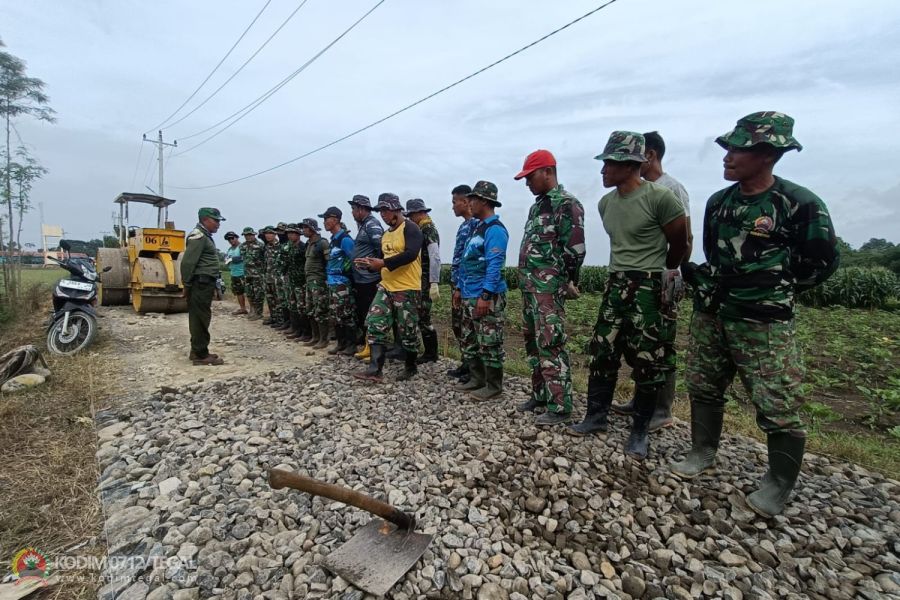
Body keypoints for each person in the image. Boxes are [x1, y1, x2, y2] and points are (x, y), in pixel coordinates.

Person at [671, 112, 838, 517]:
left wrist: (772, 287)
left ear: (766, 154)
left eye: (737, 150)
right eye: (727, 149)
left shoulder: (799, 203)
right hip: (713, 312)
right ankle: (702, 450)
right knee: (704, 384)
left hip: (763, 320)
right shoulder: (720, 202)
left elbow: (822, 262)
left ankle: (779, 482)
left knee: (777, 399)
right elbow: (714, 252)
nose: (727, 157)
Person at [569, 131, 688, 461]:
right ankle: (595, 417)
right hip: (616, 282)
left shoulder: (661, 198)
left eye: (610, 163)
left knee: (649, 359)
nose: (603, 170)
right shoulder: (606, 203)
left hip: (649, 285)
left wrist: (667, 271)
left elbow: (681, 241)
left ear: (631, 164)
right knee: (603, 350)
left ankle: (639, 431)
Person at [613, 130, 693, 430]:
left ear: (650, 155)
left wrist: (668, 274)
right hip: (638, 281)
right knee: (639, 343)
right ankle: (640, 399)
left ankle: (662, 410)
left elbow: (685, 240)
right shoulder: (640, 190)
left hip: (662, 279)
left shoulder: (671, 189)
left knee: (661, 345)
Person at [515, 149, 586, 425]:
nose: (527, 183)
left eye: (530, 176)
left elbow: (575, 249)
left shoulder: (567, 204)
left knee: (551, 343)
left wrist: (569, 281)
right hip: (530, 288)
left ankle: (560, 405)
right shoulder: (537, 206)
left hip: (549, 289)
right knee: (533, 344)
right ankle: (540, 395)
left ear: (548, 172)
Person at [354, 193, 423, 382]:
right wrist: (369, 264)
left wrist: (382, 263)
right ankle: (375, 369)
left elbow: (410, 254)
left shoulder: (411, 228)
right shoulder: (386, 235)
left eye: (386, 210)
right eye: (381, 211)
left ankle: (411, 366)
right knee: (375, 323)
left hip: (407, 288)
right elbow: (381, 259)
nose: (383, 214)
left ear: (397, 209)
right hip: (386, 286)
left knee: (407, 331)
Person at [454, 181, 508, 400]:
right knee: (470, 339)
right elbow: (467, 261)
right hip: (469, 293)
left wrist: (486, 295)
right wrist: (459, 288)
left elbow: (495, 265)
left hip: (485, 296)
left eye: (473, 199)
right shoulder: (478, 227)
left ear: (484, 201)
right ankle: (477, 378)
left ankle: (493, 385)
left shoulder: (495, 229)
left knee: (489, 341)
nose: (470, 203)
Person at [180, 207, 226, 366]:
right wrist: (186, 284)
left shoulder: (205, 236)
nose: (218, 224)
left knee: (201, 317)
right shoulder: (198, 236)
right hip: (200, 283)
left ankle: (198, 350)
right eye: (216, 220)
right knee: (200, 318)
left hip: (205, 282)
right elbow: (188, 262)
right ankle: (200, 354)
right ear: (205, 219)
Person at [404, 198, 441, 364]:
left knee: (424, 315)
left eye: (412, 215)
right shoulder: (421, 228)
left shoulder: (428, 229)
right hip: (419, 278)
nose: (410, 218)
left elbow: (434, 256)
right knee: (420, 315)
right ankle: (429, 351)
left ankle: (431, 353)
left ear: (420, 213)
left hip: (425, 278)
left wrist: (434, 282)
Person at [348, 195, 384, 360]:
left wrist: (372, 266)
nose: (353, 213)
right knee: (364, 313)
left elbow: (381, 248)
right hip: (361, 279)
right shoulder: (363, 225)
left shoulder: (372, 224)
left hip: (370, 278)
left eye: (354, 209)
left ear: (361, 209)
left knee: (372, 314)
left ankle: (373, 348)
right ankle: (367, 345)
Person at [447, 184, 477, 381]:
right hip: (458, 283)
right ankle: (466, 363)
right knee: (459, 326)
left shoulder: (476, 224)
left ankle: (474, 368)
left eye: (454, 202)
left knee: (470, 329)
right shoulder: (464, 225)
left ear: (465, 202)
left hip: (468, 286)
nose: (452, 207)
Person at [321, 206, 358, 355]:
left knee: (346, 314)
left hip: (343, 283)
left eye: (326, 219)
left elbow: (354, 261)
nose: (324, 223)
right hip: (332, 283)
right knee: (336, 315)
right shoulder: (333, 240)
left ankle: (351, 345)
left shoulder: (345, 240)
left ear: (335, 220)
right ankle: (341, 343)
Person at [300, 218, 331, 349]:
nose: (303, 230)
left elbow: (328, 263)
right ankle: (315, 337)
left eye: (305, 228)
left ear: (312, 229)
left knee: (321, 310)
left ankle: (324, 339)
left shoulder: (322, 243)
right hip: (309, 281)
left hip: (319, 282)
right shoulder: (309, 243)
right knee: (310, 309)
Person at [282, 224, 311, 342]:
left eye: (292, 233)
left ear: (298, 234)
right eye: (288, 233)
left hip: (301, 282)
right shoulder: (289, 247)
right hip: (292, 281)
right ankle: (296, 329)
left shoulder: (303, 247)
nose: (290, 235)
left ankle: (306, 332)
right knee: (293, 305)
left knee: (302, 307)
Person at [239, 226, 266, 320]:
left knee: (258, 294)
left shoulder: (261, 245)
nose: (248, 237)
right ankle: (252, 310)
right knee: (250, 293)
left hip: (258, 274)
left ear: (254, 235)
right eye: (246, 235)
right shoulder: (242, 246)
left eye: (250, 235)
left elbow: (265, 259)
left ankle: (259, 313)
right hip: (247, 274)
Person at [273, 222, 293, 331]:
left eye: (282, 231)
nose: (279, 233)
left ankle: (291, 323)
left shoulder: (290, 244)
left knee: (289, 300)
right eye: (278, 231)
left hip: (288, 277)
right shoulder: (279, 245)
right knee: (281, 299)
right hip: (278, 276)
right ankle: (285, 321)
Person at [223, 231, 247, 315]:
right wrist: (226, 259)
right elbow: (226, 257)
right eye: (229, 239)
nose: (230, 240)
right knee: (238, 292)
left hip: (243, 273)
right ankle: (242, 308)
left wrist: (233, 259)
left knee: (249, 292)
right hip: (234, 273)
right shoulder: (230, 249)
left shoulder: (242, 247)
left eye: (232, 238)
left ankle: (253, 310)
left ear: (236, 237)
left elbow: (244, 257)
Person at [261, 226, 281, 325]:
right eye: (266, 233)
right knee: (270, 298)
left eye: (270, 233)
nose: (268, 235)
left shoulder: (280, 246)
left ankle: (280, 319)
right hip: (268, 276)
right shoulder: (266, 246)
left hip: (277, 278)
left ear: (275, 234)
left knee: (278, 299)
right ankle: (273, 317)